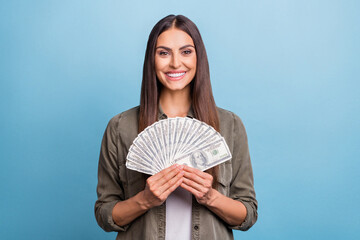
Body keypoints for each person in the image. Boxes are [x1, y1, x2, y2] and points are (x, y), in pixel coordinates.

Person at [95, 14, 258, 240]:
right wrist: (144, 200)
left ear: (198, 57)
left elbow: (247, 214)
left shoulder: (230, 126)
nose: (175, 63)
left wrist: (210, 196)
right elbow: (105, 215)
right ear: (151, 59)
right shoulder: (120, 127)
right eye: (163, 53)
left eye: (186, 51)